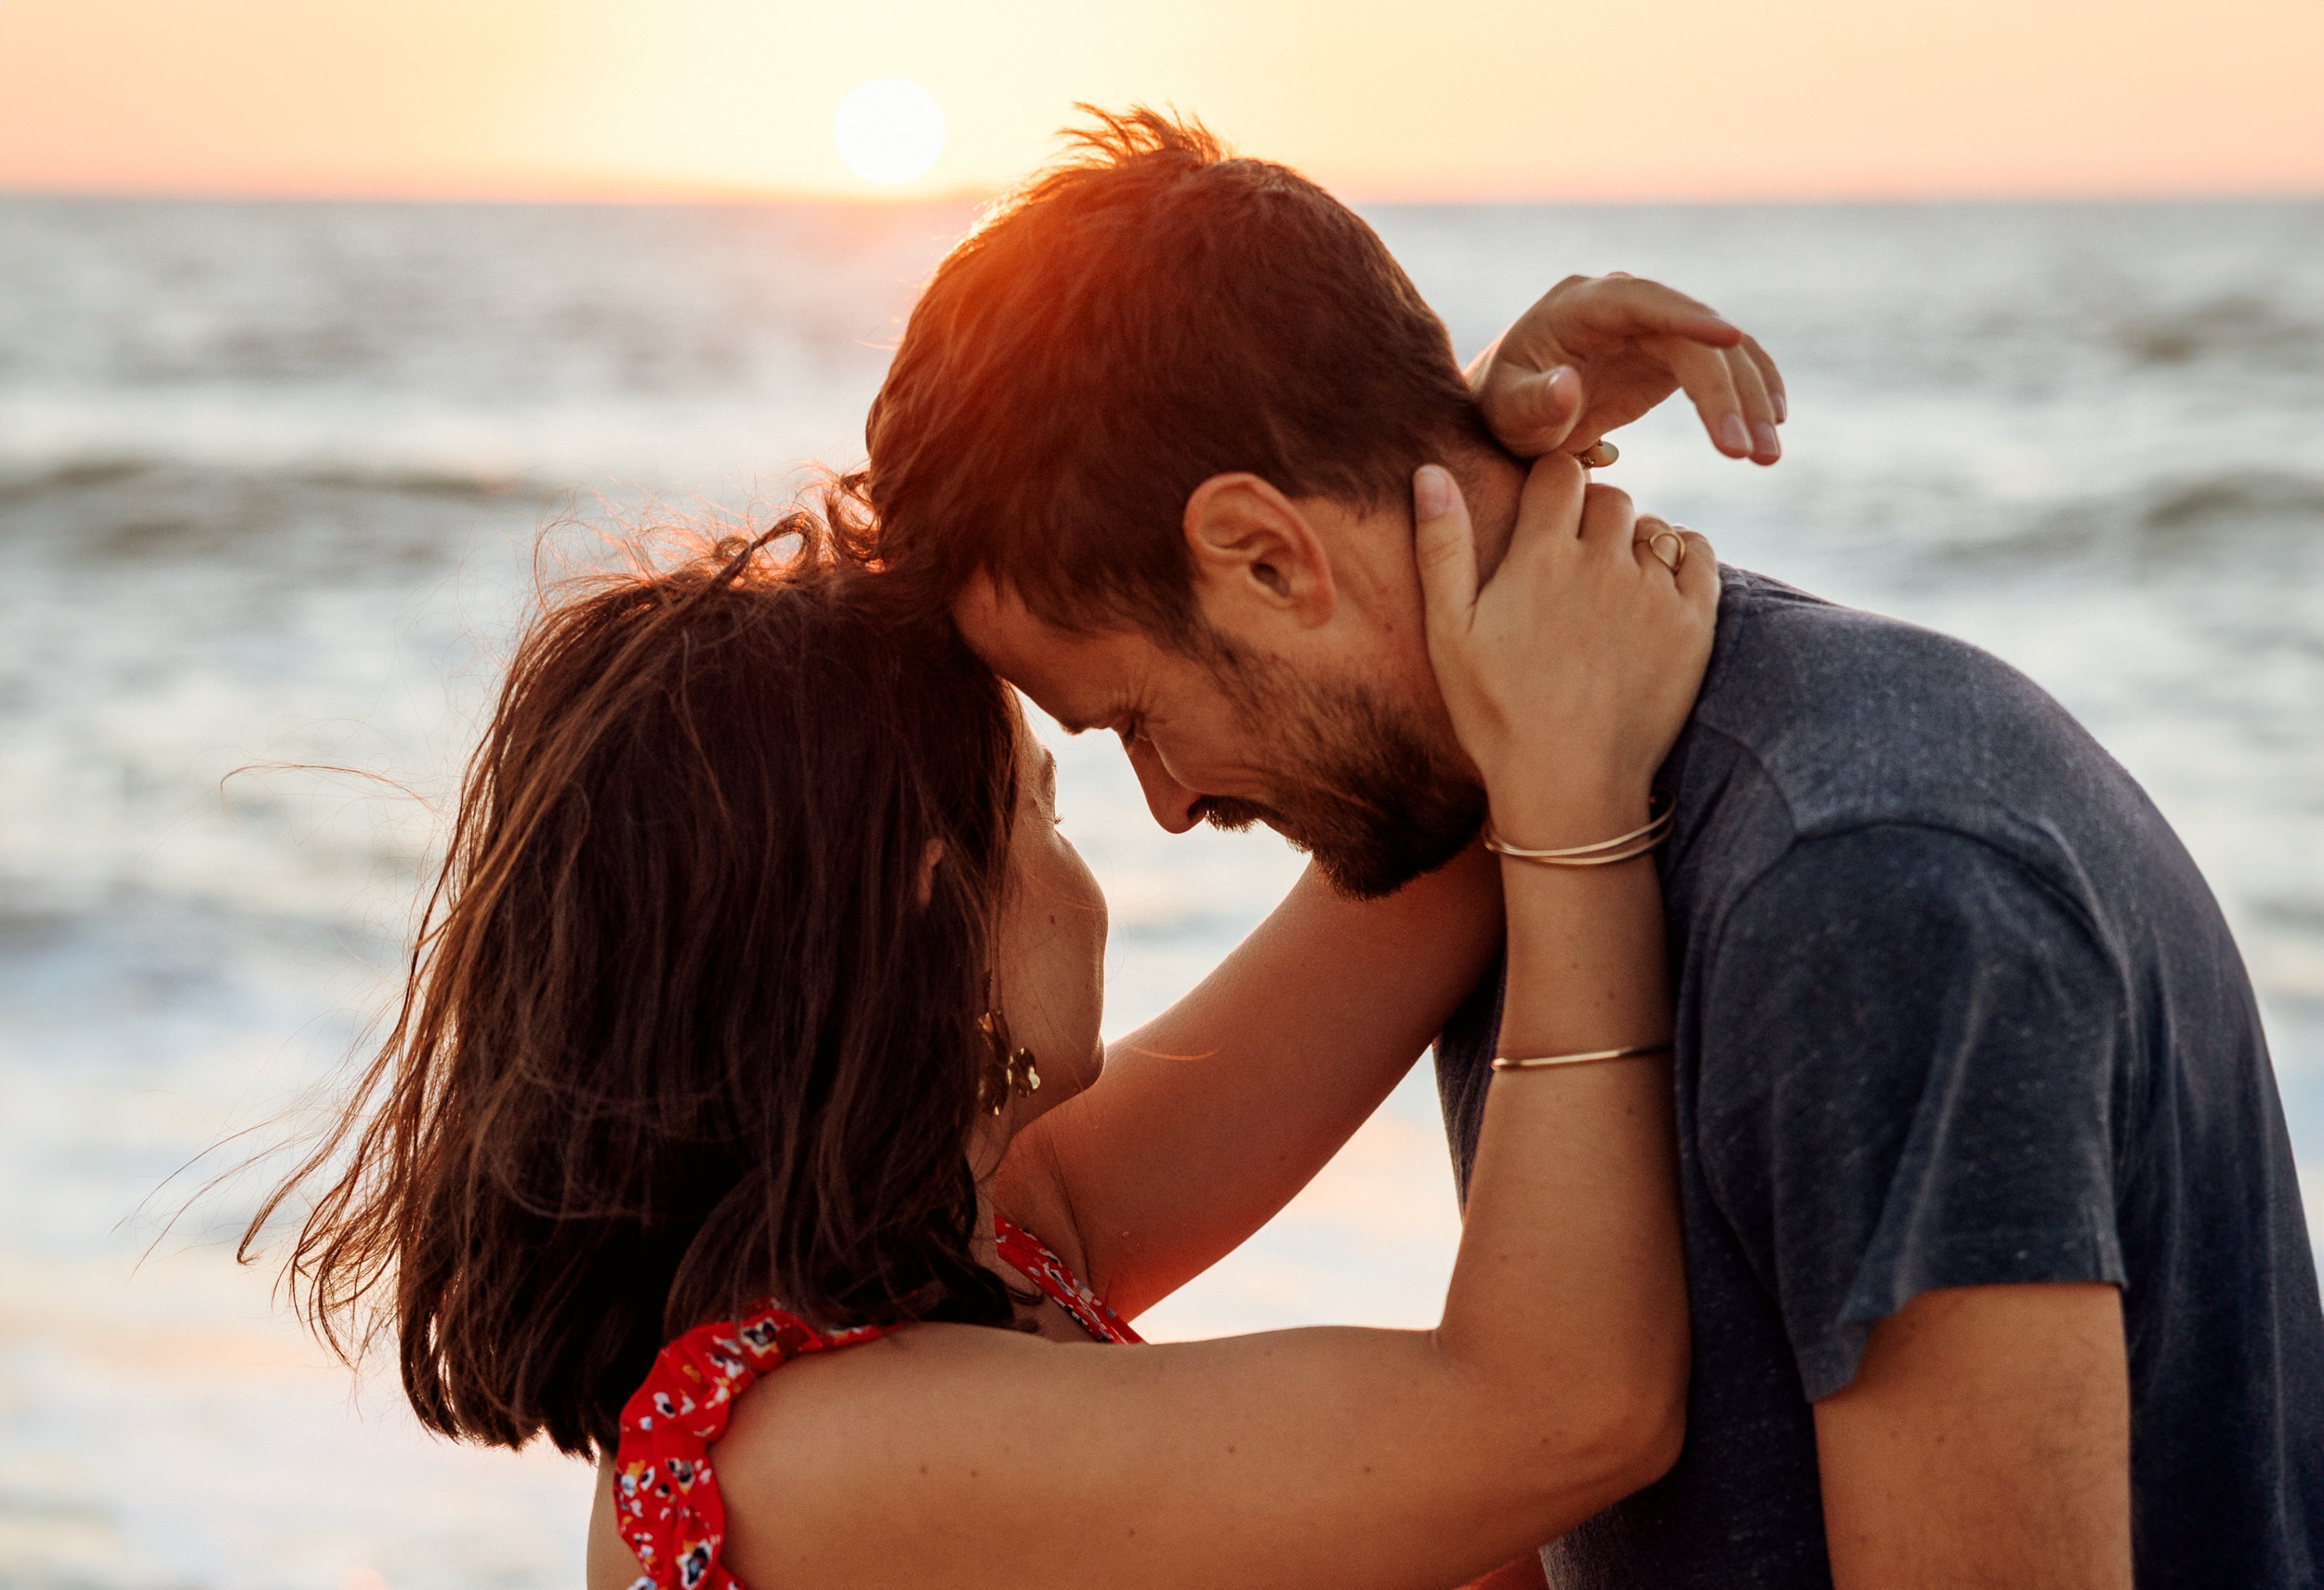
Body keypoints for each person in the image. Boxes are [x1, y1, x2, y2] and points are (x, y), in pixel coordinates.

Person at [861, 110, 2324, 1587]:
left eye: (1129, 719)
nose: (1167, 802)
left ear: (1265, 556)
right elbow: (1037, 1224)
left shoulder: (1865, 884)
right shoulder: (1515, 815)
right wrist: (1453, 461)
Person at [248, 463, 1721, 1588]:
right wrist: (1580, 803)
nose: (1103, 863)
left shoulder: (983, 1249)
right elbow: (1561, 1407)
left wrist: (1446, 473)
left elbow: (1427, 847)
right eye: (1047, 812)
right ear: (926, 903)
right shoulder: (822, 1459)